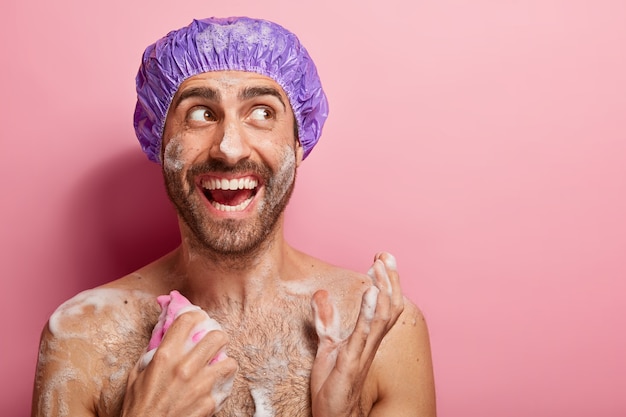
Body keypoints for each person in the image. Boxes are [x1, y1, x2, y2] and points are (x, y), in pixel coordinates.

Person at [31, 16, 436, 417]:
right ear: (160, 138)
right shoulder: (82, 340)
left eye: (261, 112)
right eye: (201, 114)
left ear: (297, 145)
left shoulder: (381, 335)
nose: (229, 148)